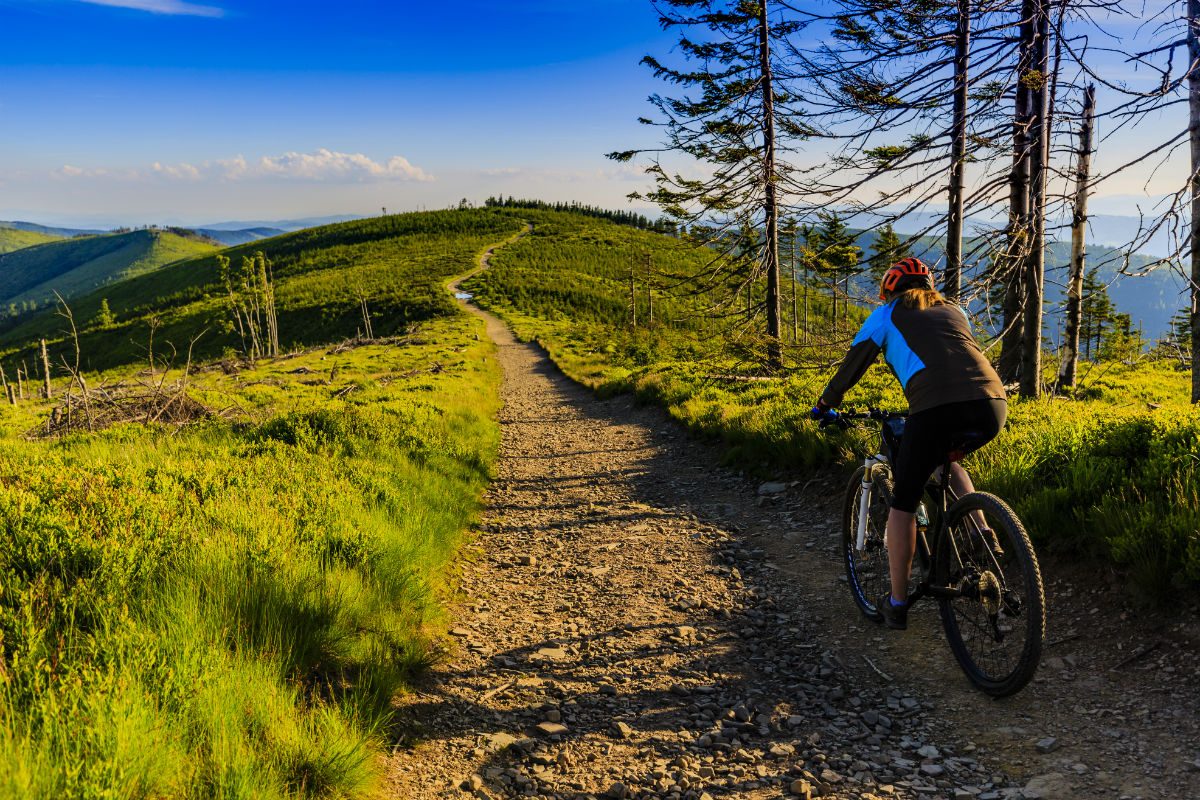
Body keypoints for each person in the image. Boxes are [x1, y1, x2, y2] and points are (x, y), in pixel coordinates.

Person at [810, 257, 1007, 630]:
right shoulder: (954, 309)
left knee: (903, 503)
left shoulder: (886, 314)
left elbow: (850, 369)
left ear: (888, 291)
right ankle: (983, 535)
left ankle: (897, 603)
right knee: (946, 460)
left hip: (935, 407)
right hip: (992, 405)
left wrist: (824, 406)